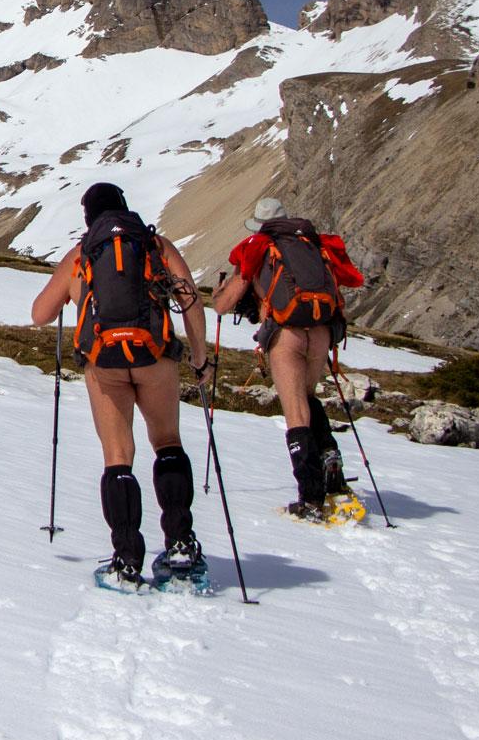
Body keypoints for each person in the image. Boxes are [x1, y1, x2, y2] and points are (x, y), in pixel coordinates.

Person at [31, 182, 212, 587]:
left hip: (105, 364)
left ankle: (127, 560)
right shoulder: (154, 245)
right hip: (155, 357)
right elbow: (190, 299)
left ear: (88, 217)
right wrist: (199, 357)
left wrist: (72, 294)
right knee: (167, 442)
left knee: (118, 455)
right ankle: (180, 544)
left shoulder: (81, 255)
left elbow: (40, 314)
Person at [209, 197, 365, 521]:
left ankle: (311, 497)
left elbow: (224, 305)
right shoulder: (311, 244)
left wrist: (219, 294)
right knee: (307, 396)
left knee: (295, 411)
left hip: (286, 333)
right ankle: (330, 458)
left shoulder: (258, 247)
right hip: (320, 331)